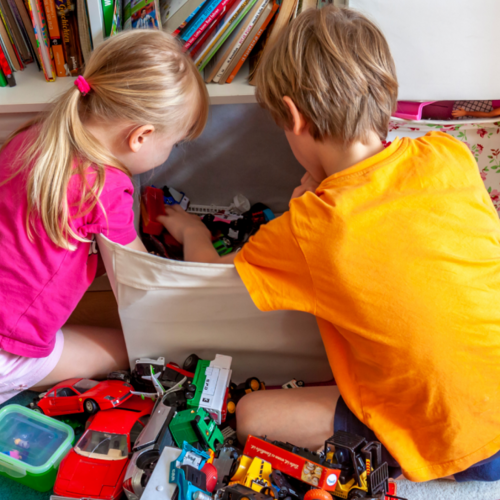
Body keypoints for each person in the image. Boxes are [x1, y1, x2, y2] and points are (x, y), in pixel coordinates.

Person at [158, 6, 500, 483]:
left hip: (465, 447)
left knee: (253, 414)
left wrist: (193, 232)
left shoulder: (310, 226)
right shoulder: (449, 154)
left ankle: (406, 452)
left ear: (293, 118)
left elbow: (209, 270)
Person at [0, 30, 208, 404]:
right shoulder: (104, 187)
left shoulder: (36, 135)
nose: (170, 152)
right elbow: (138, 289)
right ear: (141, 136)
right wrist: (195, 236)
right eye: (172, 144)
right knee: (133, 350)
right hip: (7, 351)